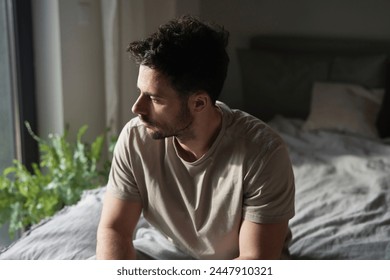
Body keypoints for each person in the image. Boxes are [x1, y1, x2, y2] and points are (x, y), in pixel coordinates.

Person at [96, 15, 295, 260]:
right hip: (163, 254)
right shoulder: (136, 138)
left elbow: (254, 261)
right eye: (140, 92)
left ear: (199, 102)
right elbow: (114, 229)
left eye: (155, 99)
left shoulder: (263, 154)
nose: (137, 108)